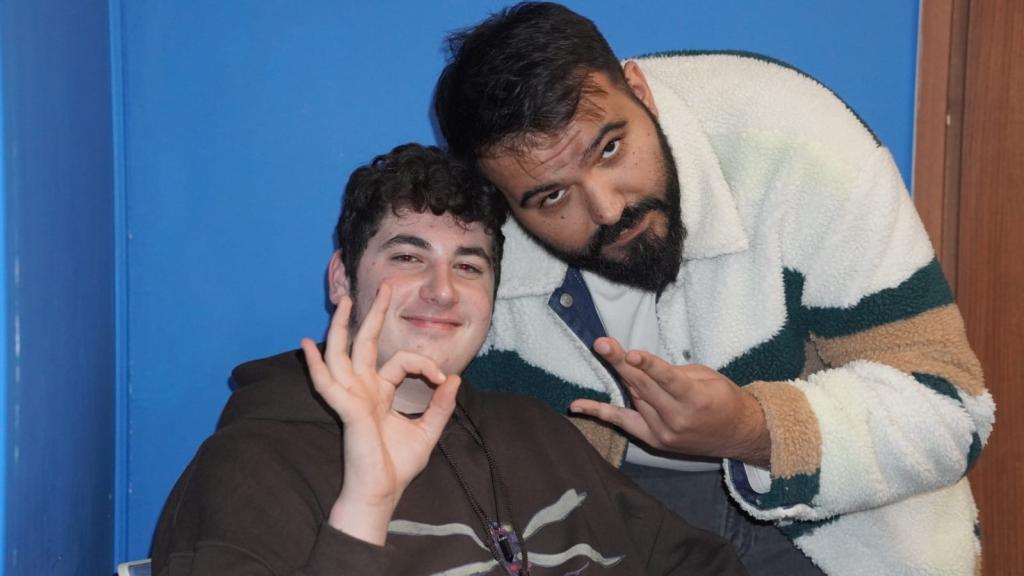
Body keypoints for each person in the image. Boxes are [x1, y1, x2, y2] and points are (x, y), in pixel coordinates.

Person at [433, 3, 994, 575]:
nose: (608, 208)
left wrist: (751, 428)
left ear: (640, 91)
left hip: (846, 522)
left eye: (610, 149)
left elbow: (950, 411)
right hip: (620, 513)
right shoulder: (469, 245)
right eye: (553, 197)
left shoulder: (799, 145)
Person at [150, 143, 746, 575]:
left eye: (468, 265)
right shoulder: (250, 466)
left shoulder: (536, 430)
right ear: (341, 279)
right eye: (408, 258)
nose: (442, 291)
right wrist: (366, 505)